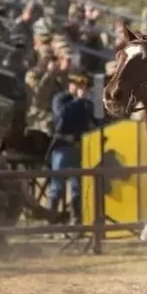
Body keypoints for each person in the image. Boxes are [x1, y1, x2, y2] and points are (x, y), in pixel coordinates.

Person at [48, 72, 95, 224]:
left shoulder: (87, 103)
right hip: (63, 146)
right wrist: (78, 100)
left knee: (78, 186)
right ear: (71, 84)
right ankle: (53, 221)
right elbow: (62, 116)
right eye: (78, 85)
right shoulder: (61, 99)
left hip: (81, 146)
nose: (82, 89)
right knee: (57, 186)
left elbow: (96, 120)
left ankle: (76, 220)